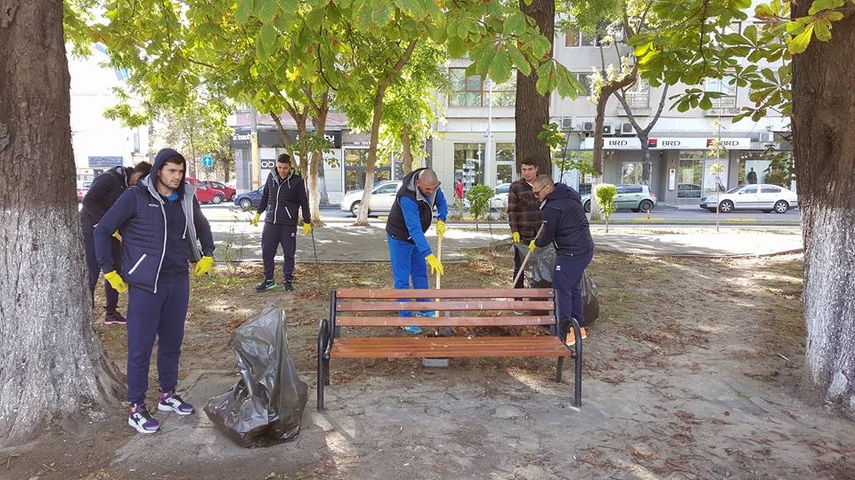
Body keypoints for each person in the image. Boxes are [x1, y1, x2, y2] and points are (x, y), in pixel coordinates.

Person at [94, 148, 215, 434]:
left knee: (172, 342)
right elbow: (102, 230)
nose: (177, 176)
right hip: (146, 285)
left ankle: (167, 394)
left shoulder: (186, 196)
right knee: (140, 347)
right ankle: (136, 407)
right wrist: (109, 270)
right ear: (158, 170)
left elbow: (202, 225)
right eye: (172, 170)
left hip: (177, 279)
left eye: (181, 171)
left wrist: (207, 253)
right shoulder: (135, 197)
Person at [80, 162, 151, 325]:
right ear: (139, 176)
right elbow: (88, 201)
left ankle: (111, 313)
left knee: (114, 271)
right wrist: (105, 224)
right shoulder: (109, 179)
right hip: (92, 230)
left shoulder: (129, 187)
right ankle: (87, 319)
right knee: (92, 272)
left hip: (113, 233)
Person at [528, 175, 594, 345]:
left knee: (560, 289)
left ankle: (564, 332)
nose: (536, 197)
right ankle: (578, 329)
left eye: (537, 193)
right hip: (585, 249)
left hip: (571, 252)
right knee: (573, 288)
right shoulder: (569, 196)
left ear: (548, 188)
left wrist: (536, 243)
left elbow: (548, 236)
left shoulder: (553, 207)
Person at [385, 168, 448, 334]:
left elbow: (441, 202)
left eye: (434, 188)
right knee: (402, 278)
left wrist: (442, 219)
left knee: (420, 273)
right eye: (428, 189)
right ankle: (405, 317)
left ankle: (424, 308)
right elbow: (414, 229)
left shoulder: (432, 186)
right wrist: (429, 255)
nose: (431, 192)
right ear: (418, 183)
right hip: (399, 237)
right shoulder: (407, 197)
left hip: (416, 237)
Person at [252, 153, 312, 292]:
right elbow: (265, 196)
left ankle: (288, 280)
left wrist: (307, 221)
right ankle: (268, 280)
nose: (281, 170)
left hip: (288, 223)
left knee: (289, 253)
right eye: (279, 167)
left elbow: (304, 203)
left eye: (285, 168)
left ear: (290, 167)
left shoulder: (297, 181)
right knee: (267, 252)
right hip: (270, 222)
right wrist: (258, 213)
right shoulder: (271, 177)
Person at [507, 158, 542, 288]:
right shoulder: (516, 187)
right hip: (523, 233)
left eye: (530, 169)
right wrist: (515, 230)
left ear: (536, 169)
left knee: (541, 266)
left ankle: (540, 298)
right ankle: (518, 300)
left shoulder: (544, 184)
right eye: (524, 169)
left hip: (542, 234)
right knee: (519, 267)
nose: (526, 173)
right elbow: (512, 210)